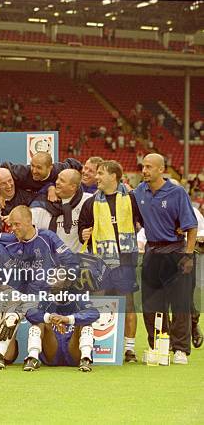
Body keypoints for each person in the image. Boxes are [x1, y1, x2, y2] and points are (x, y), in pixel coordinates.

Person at [133, 153, 198, 364]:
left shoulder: (177, 192)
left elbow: (191, 226)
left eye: (149, 167)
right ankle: (158, 345)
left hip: (176, 250)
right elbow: (139, 220)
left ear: (161, 170)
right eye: (143, 167)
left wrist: (188, 255)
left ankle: (180, 349)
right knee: (151, 303)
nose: (145, 171)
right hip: (152, 251)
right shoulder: (139, 192)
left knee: (179, 304)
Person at [78, 160, 141, 362]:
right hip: (99, 263)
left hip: (125, 262)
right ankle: (95, 345)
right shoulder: (90, 203)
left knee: (128, 304)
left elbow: (145, 222)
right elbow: (83, 232)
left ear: (113, 176)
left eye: (101, 174)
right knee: (97, 303)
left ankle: (129, 349)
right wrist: (84, 233)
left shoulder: (132, 200)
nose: (97, 177)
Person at [0, 206, 80, 295]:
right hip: (20, 298)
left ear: (29, 221)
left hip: (47, 296)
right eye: (11, 225)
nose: (13, 228)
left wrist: (64, 280)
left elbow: (71, 261)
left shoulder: (48, 237)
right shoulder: (9, 240)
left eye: (17, 224)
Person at [23, 297, 100, 372]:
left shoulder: (79, 299)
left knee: (86, 323)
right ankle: (32, 358)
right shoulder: (46, 300)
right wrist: (49, 318)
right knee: (38, 322)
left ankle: (85, 359)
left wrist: (68, 319)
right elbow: (30, 313)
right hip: (51, 350)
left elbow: (94, 313)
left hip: (74, 351)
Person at [30, 169, 92, 252]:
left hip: (79, 260)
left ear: (73, 187)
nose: (57, 182)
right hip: (50, 260)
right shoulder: (41, 205)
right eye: (58, 178)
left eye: (62, 181)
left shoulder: (88, 201)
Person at [0, 152, 82, 195]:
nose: (34, 171)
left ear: (50, 168)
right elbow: (3, 167)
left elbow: (75, 164)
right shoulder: (24, 172)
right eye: (32, 165)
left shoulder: (61, 170)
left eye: (39, 167)